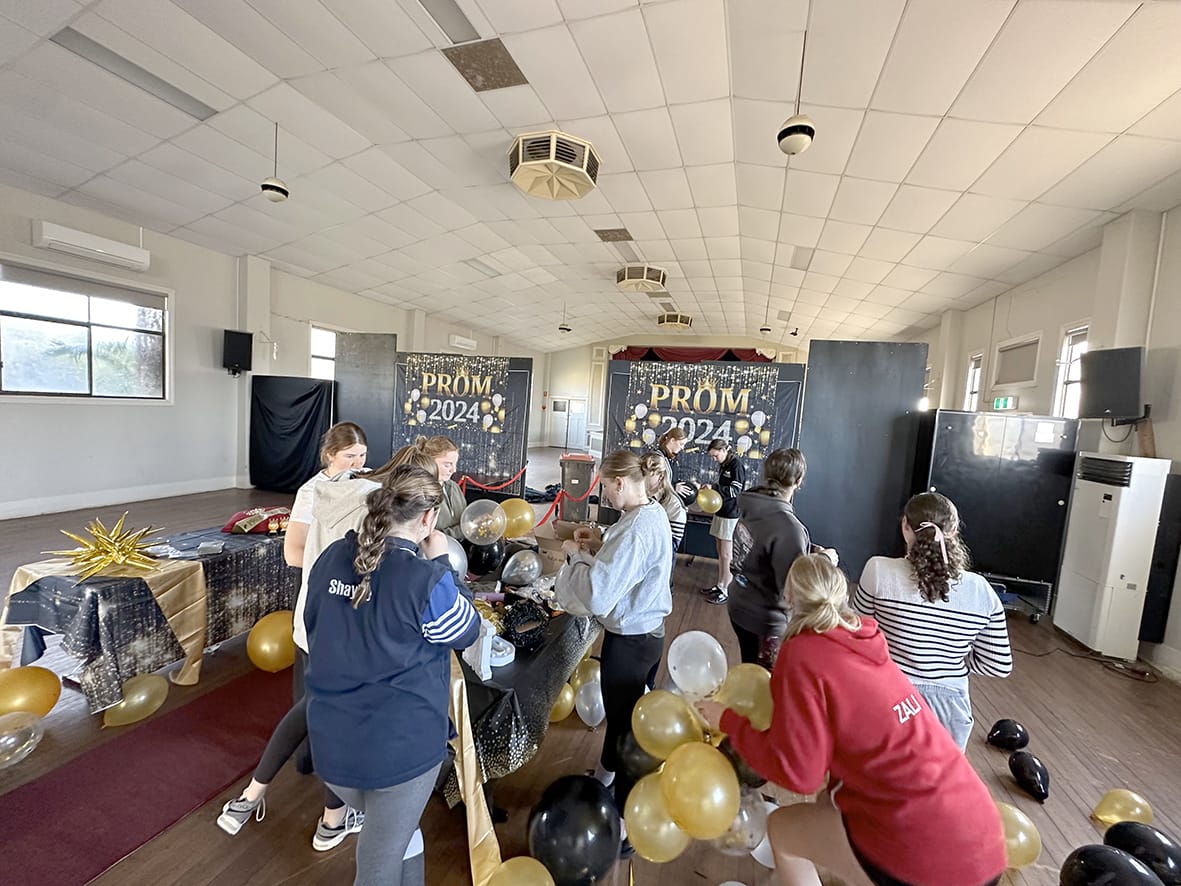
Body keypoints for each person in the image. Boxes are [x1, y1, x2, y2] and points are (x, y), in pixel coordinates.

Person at [696, 555, 1006, 886]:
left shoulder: (801, 653)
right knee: (830, 806)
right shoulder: (866, 640)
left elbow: (798, 773)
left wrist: (730, 721)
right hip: (982, 834)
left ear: (788, 598)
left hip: (928, 856)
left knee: (782, 832)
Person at [304, 465, 480, 886]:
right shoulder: (427, 580)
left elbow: (313, 624)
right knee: (378, 863)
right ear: (427, 519)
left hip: (331, 741)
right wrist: (444, 564)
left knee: (400, 833)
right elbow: (466, 630)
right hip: (397, 752)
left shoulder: (331, 557)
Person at [217, 422, 369, 849]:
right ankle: (330, 817)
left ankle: (256, 796)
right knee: (326, 706)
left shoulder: (362, 490)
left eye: (361, 456)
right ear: (329, 456)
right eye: (349, 457)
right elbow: (292, 552)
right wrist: (338, 569)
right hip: (327, 609)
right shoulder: (311, 492)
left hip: (337, 610)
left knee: (313, 701)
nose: (357, 464)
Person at [554, 451, 672, 856]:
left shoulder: (636, 529)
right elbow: (628, 567)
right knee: (623, 722)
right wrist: (599, 546)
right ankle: (603, 781)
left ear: (621, 483)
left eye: (605, 485)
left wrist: (573, 555)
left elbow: (598, 594)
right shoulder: (650, 512)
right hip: (646, 635)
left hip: (632, 641)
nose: (603, 493)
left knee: (626, 732)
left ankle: (622, 824)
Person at [853, 492, 1013, 751]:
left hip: (887, 694)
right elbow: (999, 665)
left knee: (877, 782)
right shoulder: (981, 590)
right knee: (935, 788)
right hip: (950, 707)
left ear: (905, 525)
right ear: (953, 529)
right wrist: (950, 661)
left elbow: (858, 637)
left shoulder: (878, 570)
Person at [726, 448, 812, 666]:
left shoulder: (751, 504)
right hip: (764, 621)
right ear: (799, 480)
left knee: (749, 668)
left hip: (738, 604)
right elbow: (794, 590)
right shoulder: (789, 529)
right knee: (764, 686)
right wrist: (825, 563)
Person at [700, 439, 745, 605]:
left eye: (715, 455)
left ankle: (726, 589)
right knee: (720, 551)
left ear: (724, 450)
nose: (714, 459)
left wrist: (714, 488)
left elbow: (735, 490)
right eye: (712, 456)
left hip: (730, 513)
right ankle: (720, 584)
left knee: (727, 553)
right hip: (720, 511)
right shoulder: (724, 465)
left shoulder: (736, 466)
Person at [412, 436, 467, 540]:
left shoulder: (454, 487)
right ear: (429, 462)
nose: (454, 470)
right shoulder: (419, 492)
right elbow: (425, 538)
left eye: (455, 464)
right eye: (447, 465)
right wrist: (464, 530)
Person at [638, 452, 686, 555]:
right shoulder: (639, 497)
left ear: (660, 476)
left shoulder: (674, 505)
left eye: (646, 475)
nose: (641, 479)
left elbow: (672, 546)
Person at [652, 427, 696, 504]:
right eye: (681, 444)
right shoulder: (656, 458)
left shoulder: (672, 460)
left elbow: (671, 479)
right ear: (672, 440)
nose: (682, 448)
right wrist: (673, 488)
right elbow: (651, 484)